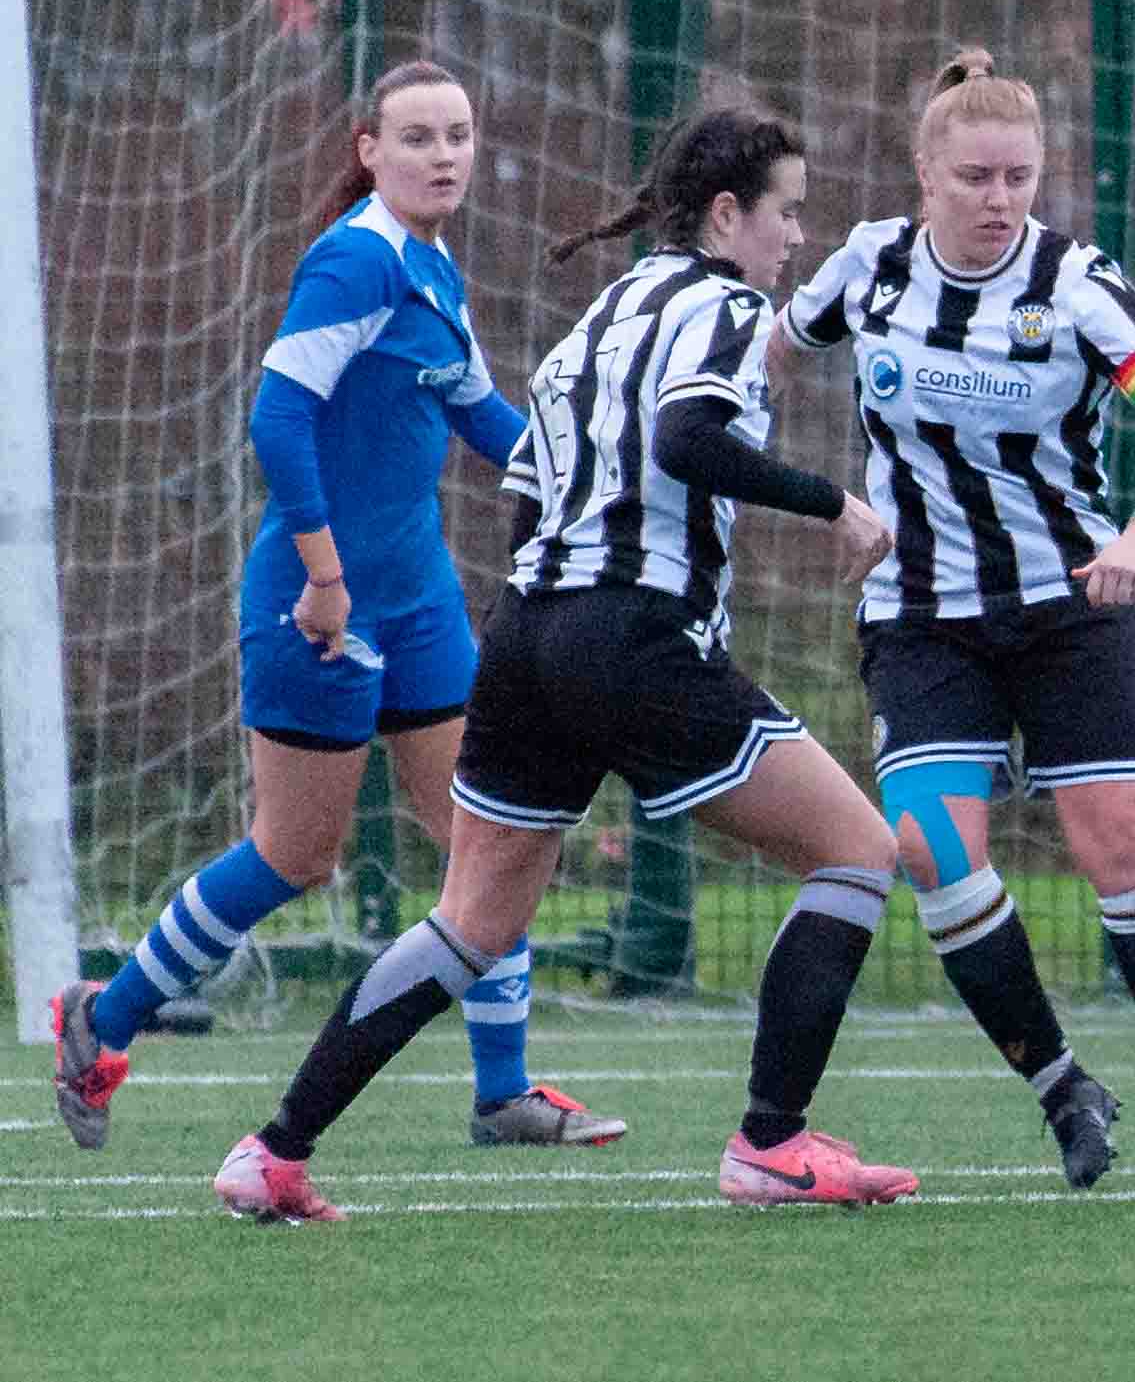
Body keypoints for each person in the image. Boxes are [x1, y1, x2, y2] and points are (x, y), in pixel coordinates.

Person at [209, 104, 919, 1221]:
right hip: (629, 636)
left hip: (528, 628)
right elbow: (690, 439)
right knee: (857, 852)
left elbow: (531, 480)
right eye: (786, 212)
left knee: (471, 921)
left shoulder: (612, 304)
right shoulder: (729, 307)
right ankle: (770, 1145)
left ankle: (274, 1152)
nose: (796, 237)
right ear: (728, 215)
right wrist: (835, 504)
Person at [48, 60, 625, 1154]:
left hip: (419, 607)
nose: (444, 155)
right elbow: (278, 420)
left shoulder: (432, 267)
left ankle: (502, 1093)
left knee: (483, 841)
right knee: (292, 855)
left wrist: (589, 471)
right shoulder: (355, 261)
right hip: (318, 605)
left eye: (458, 134)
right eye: (417, 137)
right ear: (369, 148)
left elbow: (481, 416)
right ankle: (101, 1018)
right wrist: (322, 577)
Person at [773, 47, 1135, 1188]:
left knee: (1119, 845)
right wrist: (811, 499)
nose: (1000, 201)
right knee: (935, 852)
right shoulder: (869, 267)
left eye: (1019, 179)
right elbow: (765, 361)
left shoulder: (1077, 285)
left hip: (1066, 609)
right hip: (921, 617)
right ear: (924, 175)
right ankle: (1062, 1088)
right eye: (977, 178)